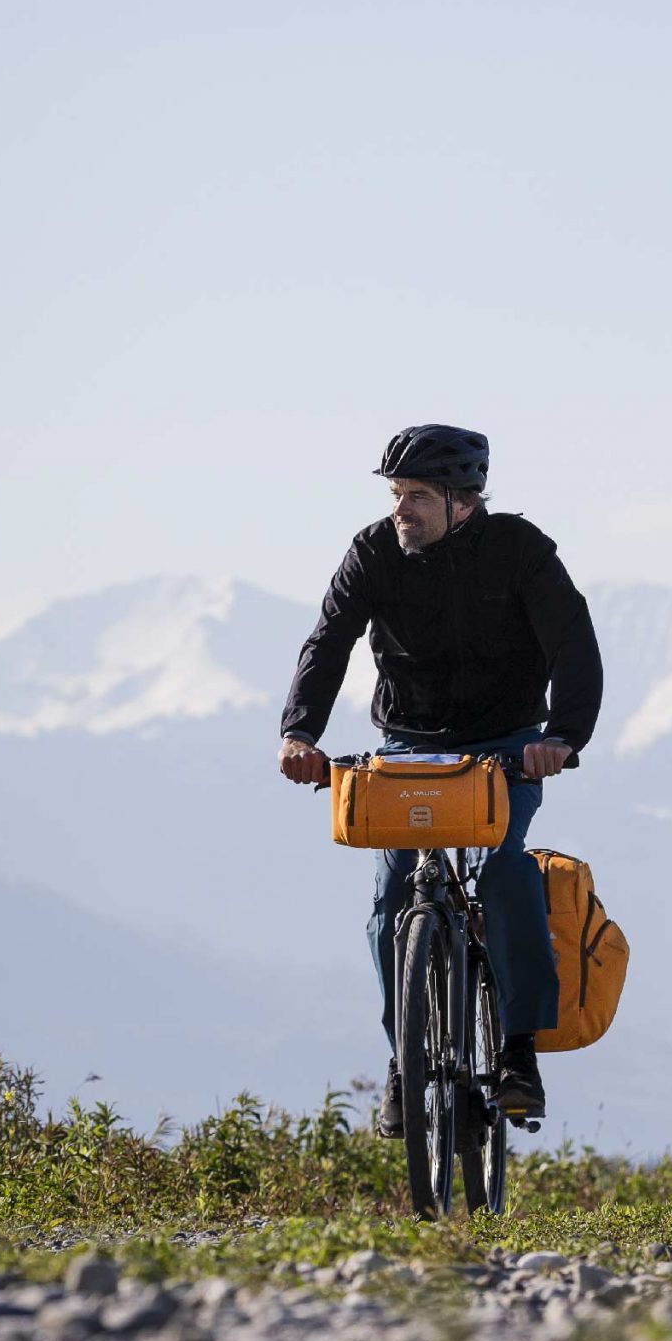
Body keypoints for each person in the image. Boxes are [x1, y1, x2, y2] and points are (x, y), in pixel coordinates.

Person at [279, 425, 603, 1132]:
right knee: (393, 894)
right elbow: (328, 640)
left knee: (506, 870)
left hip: (507, 748)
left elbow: (573, 645)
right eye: (396, 495)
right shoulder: (373, 551)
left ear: (463, 502)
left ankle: (518, 1054)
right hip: (405, 748)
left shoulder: (519, 551)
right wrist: (299, 732)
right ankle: (405, 1064)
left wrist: (561, 738)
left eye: (417, 497)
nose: (401, 510)